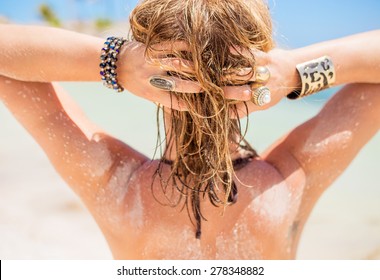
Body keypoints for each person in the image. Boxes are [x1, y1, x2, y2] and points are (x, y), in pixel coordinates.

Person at [0, 0, 379, 259]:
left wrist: (115, 63)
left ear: (147, 76)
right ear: (260, 56)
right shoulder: (289, 182)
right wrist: (296, 71)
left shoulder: (115, 185)